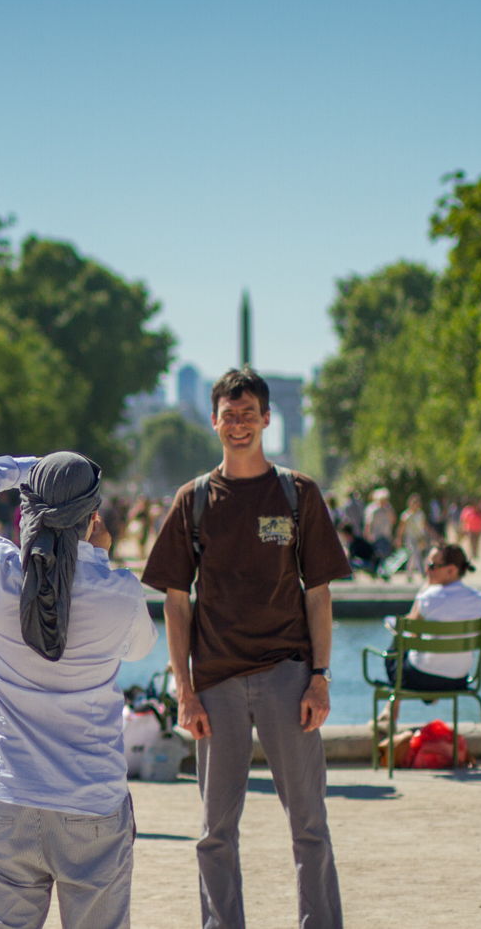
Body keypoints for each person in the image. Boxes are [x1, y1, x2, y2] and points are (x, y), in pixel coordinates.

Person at [143, 369, 349, 929]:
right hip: (216, 683)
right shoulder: (193, 500)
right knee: (215, 831)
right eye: (229, 415)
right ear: (215, 422)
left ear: (266, 418)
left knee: (309, 822)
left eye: (248, 414)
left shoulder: (298, 493)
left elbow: (319, 594)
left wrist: (320, 677)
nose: (239, 425)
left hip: (288, 675)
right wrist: (184, 692)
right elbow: (176, 603)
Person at [0, 450, 155, 929]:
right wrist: (98, 557)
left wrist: (25, 467)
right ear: (93, 516)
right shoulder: (119, 592)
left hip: (10, 799)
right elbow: (140, 649)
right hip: (91, 802)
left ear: (28, 508)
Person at [380, 545, 481, 692]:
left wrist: (424, 589)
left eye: (432, 566)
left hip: (419, 678)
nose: (426, 570)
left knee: (398, 641)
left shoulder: (427, 597)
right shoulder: (480, 599)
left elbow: (412, 633)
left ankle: (395, 701)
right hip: (458, 679)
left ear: (451, 570)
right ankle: (420, 700)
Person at [361, 489, 394, 562]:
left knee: (387, 556)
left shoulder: (388, 508)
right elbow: (368, 523)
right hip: (376, 536)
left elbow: (393, 520)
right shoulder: (372, 510)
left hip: (386, 536)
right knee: (380, 555)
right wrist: (367, 535)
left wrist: (389, 511)